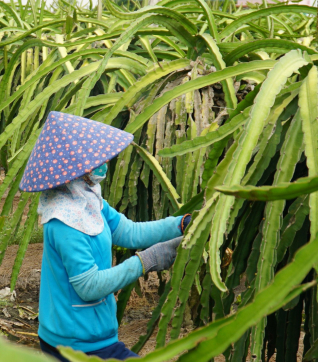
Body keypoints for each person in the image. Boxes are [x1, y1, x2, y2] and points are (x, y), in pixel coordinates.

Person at [19, 111, 190, 361]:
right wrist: (146, 261)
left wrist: (180, 224)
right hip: (74, 343)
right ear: (76, 167)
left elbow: (129, 232)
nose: (104, 162)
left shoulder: (86, 198)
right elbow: (89, 286)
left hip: (91, 334)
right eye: (95, 158)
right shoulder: (64, 221)